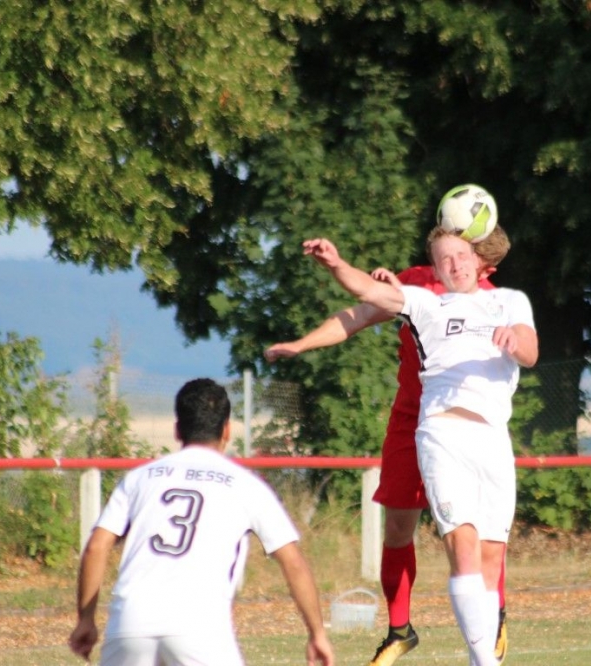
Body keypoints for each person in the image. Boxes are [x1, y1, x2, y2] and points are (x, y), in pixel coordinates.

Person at [264, 227, 512, 666]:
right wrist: (301, 344)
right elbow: (357, 313)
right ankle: (401, 630)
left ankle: (495, 616)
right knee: (398, 527)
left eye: (467, 252)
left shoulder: (495, 300)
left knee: (472, 536)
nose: (456, 260)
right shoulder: (414, 281)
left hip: (464, 429)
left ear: (481, 261)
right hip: (410, 423)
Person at [67, 378, 335, 666]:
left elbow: (97, 547)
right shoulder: (246, 484)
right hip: (199, 626)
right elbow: (293, 562)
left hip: (130, 624)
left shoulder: (140, 477)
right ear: (227, 430)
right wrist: (317, 632)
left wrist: (86, 619)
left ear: (177, 429)